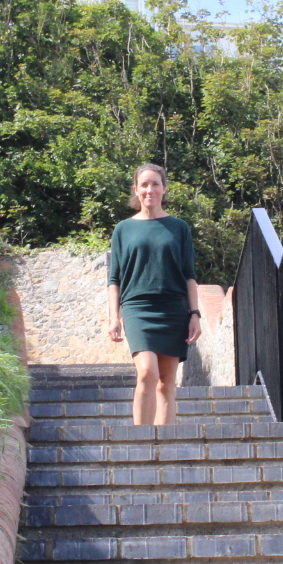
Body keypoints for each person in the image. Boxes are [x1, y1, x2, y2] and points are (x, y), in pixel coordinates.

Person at [107, 163, 200, 426]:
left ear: (164, 188)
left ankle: (165, 448)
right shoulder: (123, 229)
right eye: (144, 184)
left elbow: (189, 275)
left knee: (166, 383)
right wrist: (114, 317)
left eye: (155, 183)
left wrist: (195, 314)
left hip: (174, 308)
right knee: (148, 372)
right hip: (137, 308)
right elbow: (114, 279)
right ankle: (141, 441)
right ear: (135, 190)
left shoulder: (179, 227)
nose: (150, 189)